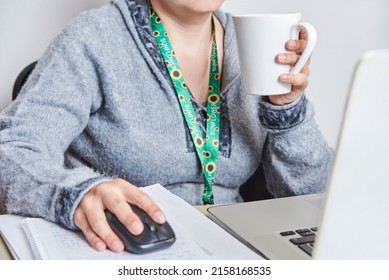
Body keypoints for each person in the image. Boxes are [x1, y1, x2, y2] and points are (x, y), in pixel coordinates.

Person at [0, 0, 332, 254]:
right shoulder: (94, 39)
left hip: (234, 251)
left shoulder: (257, 44)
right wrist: (77, 193)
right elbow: (11, 153)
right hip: (125, 251)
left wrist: (286, 109)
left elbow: (320, 200)